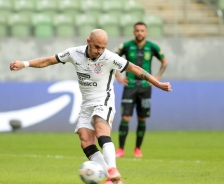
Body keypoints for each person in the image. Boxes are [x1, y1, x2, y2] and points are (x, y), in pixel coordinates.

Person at [10, 29, 172, 184]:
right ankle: (112, 178)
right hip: (87, 103)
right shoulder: (74, 53)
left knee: (100, 127)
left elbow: (135, 69)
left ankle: (112, 169)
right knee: (85, 140)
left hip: (104, 101)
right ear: (88, 42)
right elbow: (47, 61)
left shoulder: (110, 57)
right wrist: (24, 64)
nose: (99, 51)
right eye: (96, 47)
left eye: (103, 47)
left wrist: (157, 84)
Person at [114, 22, 168, 158]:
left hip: (145, 87)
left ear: (146, 32)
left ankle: (137, 149)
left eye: (142, 30)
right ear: (134, 32)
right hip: (130, 86)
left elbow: (165, 62)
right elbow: (112, 60)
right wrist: (119, 78)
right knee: (125, 117)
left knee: (142, 118)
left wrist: (157, 77)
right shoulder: (126, 46)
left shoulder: (152, 47)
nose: (140, 33)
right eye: (137, 30)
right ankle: (120, 149)